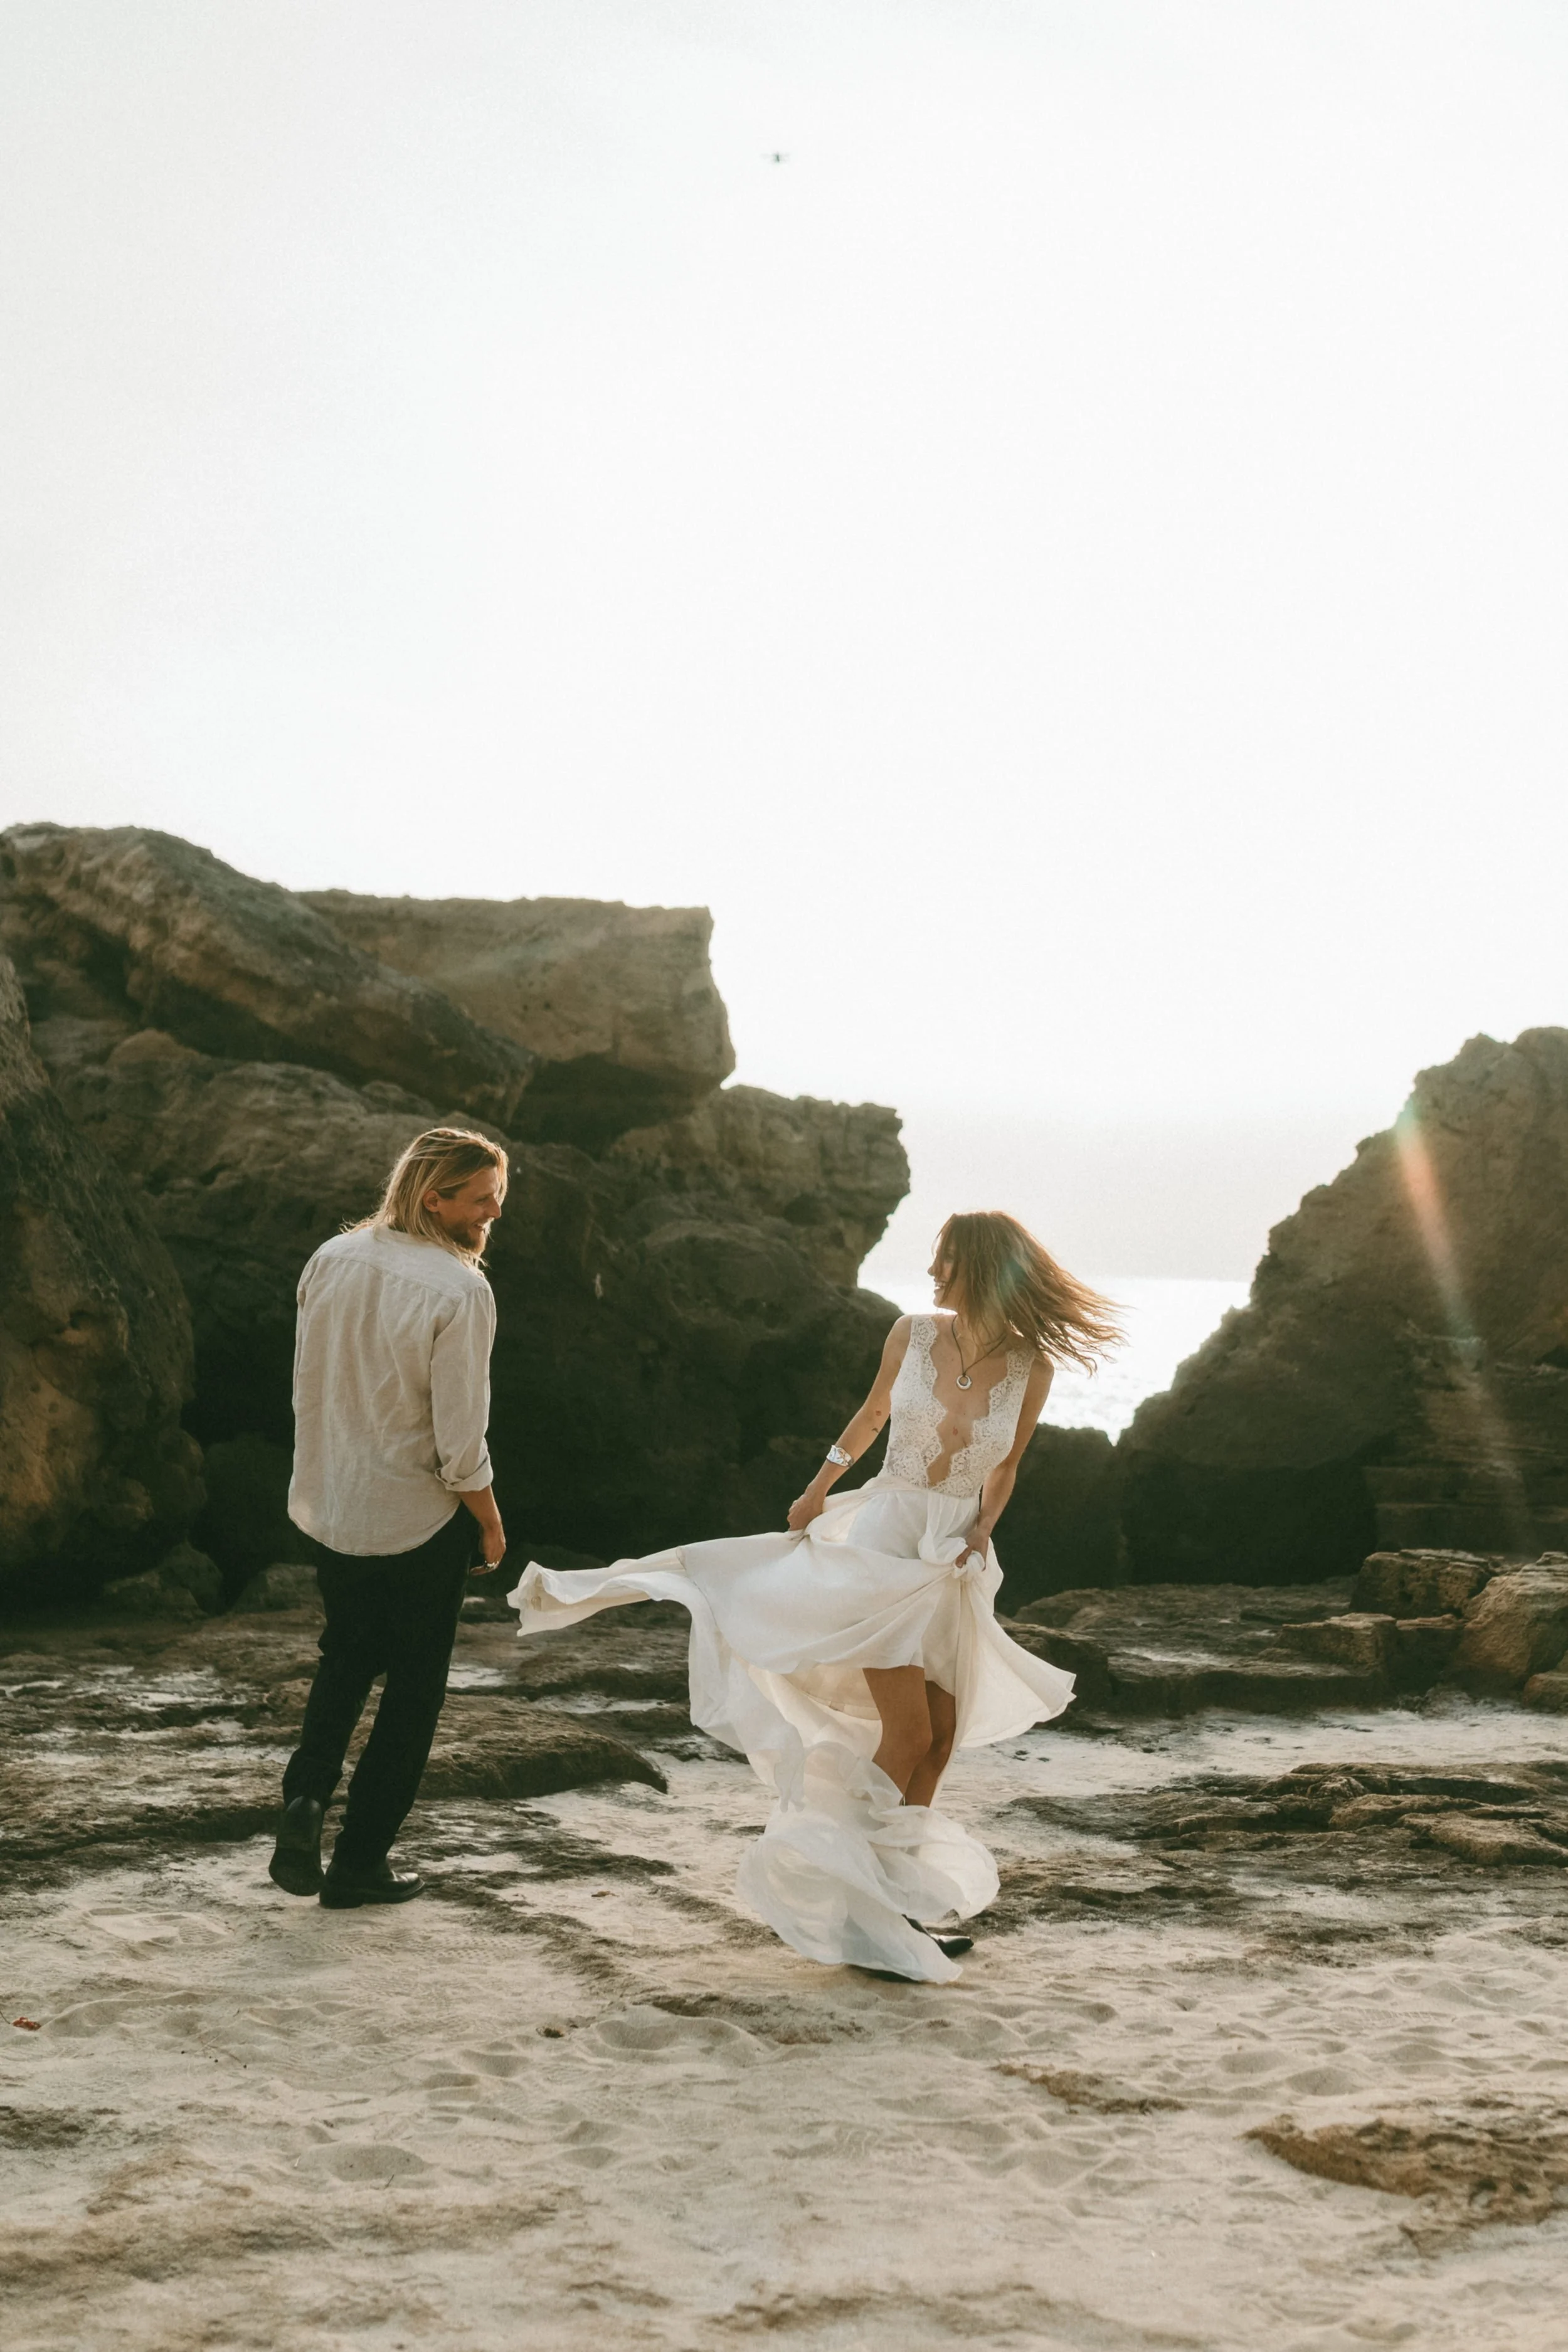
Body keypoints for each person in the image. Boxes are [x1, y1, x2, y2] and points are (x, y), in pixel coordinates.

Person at [511, 1210, 1121, 1981]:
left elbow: (1005, 1468)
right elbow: (868, 1419)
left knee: (938, 1733)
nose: (934, 1275)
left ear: (986, 1268)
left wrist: (983, 1531)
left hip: (951, 1560)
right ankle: (853, 1901)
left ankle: (892, 1905)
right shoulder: (913, 1334)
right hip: (885, 1537)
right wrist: (817, 1488)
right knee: (904, 1733)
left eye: (947, 1262)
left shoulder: (1034, 1366)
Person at [268, 1127, 509, 1909]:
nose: (490, 1216)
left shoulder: (329, 1260)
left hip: (335, 1502)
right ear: (433, 1197)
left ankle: (304, 1805)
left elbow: (313, 1382)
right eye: (480, 1201)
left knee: (343, 1660)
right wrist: (490, 1517)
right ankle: (360, 1862)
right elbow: (458, 1438)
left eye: (497, 1202)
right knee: (412, 1691)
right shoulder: (460, 1290)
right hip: (417, 1515)